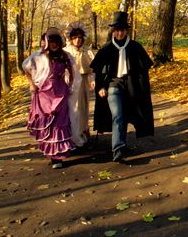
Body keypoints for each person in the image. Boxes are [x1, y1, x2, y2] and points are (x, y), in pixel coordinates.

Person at [90, 11, 154, 162]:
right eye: (117, 30)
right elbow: (98, 71)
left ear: (127, 31)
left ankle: (122, 143)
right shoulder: (106, 49)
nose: (119, 33)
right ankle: (118, 150)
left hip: (131, 87)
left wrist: (142, 88)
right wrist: (100, 87)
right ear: (113, 30)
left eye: (122, 30)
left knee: (126, 115)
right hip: (113, 86)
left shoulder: (135, 47)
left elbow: (144, 71)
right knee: (117, 114)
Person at [23, 27, 81, 169]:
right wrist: (32, 84)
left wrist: (71, 85)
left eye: (56, 41)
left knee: (59, 123)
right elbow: (25, 67)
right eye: (51, 41)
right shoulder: (39, 56)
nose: (54, 44)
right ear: (47, 43)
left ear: (60, 42)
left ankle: (59, 157)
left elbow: (73, 72)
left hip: (60, 93)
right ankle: (52, 156)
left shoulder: (65, 56)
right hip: (44, 94)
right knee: (48, 124)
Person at [63, 22, 95, 148]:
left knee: (83, 109)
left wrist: (92, 80)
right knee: (72, 109)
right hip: (70, 83)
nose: (77, 40)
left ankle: (82, 133)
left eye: (80, 38)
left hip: (83, 84)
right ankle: (71, 136)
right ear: (71, 39)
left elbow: (92, 69)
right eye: (75, 38)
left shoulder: (87, 51)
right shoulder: (65, 52)